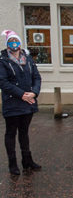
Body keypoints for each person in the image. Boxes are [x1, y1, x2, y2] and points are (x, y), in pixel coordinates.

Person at [0, 30, 42, 175]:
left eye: (15, 40)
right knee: (11, 133)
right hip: (12, 103)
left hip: (28, 102)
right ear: (7, 44)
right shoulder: (3, 60)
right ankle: (13, 163)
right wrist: (22, 95)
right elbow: (3, 82)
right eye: (10, 41)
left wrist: (34, 93)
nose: (14, 43)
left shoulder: (28, 59)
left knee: (24, 132)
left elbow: (37, 77)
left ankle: (27, 161)